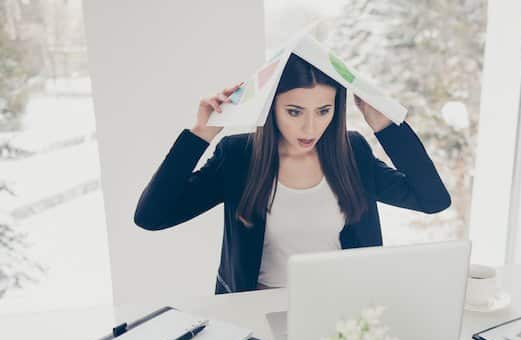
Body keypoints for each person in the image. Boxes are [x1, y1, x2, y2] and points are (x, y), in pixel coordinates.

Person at [134, 54, 451, 294]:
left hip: (343, 301)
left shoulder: (351, 151)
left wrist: (385, 126)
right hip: (259, 308)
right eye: (295, 112)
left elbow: (433, 200)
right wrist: (200, 135)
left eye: (323, 111)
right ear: (271, 107)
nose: (310, 128)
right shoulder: (238, 156)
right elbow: (152, 216)